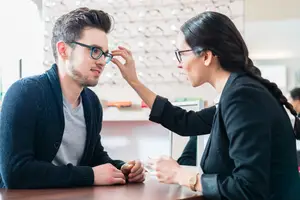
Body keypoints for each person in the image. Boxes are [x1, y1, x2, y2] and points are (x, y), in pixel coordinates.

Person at [111, 11, 300, 200]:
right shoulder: (237, 93)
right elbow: (186, 122)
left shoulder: (242, 97)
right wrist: (134, 81)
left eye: (181, 54)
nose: (179, 64)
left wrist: (181, 175)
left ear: (207, 56)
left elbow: (248, 189)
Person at [0, 7, 145, 189]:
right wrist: (90, 175)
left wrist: (122, 168)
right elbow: (15, 173)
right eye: (94, 50)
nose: (101, 61)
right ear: (63, 50)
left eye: (105, 54)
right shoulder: (24, 93)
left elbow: (93, 157)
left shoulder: (92, 102)